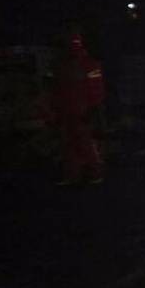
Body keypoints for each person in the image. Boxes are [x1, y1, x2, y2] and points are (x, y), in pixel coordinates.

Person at [51, 30, 106, 185]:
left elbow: (96, 88)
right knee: (68, 144)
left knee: (86, 143)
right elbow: (55, 88)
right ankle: (73, 175)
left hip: (82, 110)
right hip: (66, 110)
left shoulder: (89, 64)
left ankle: (95, 173)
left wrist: (94, 107)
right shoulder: (60, 65)